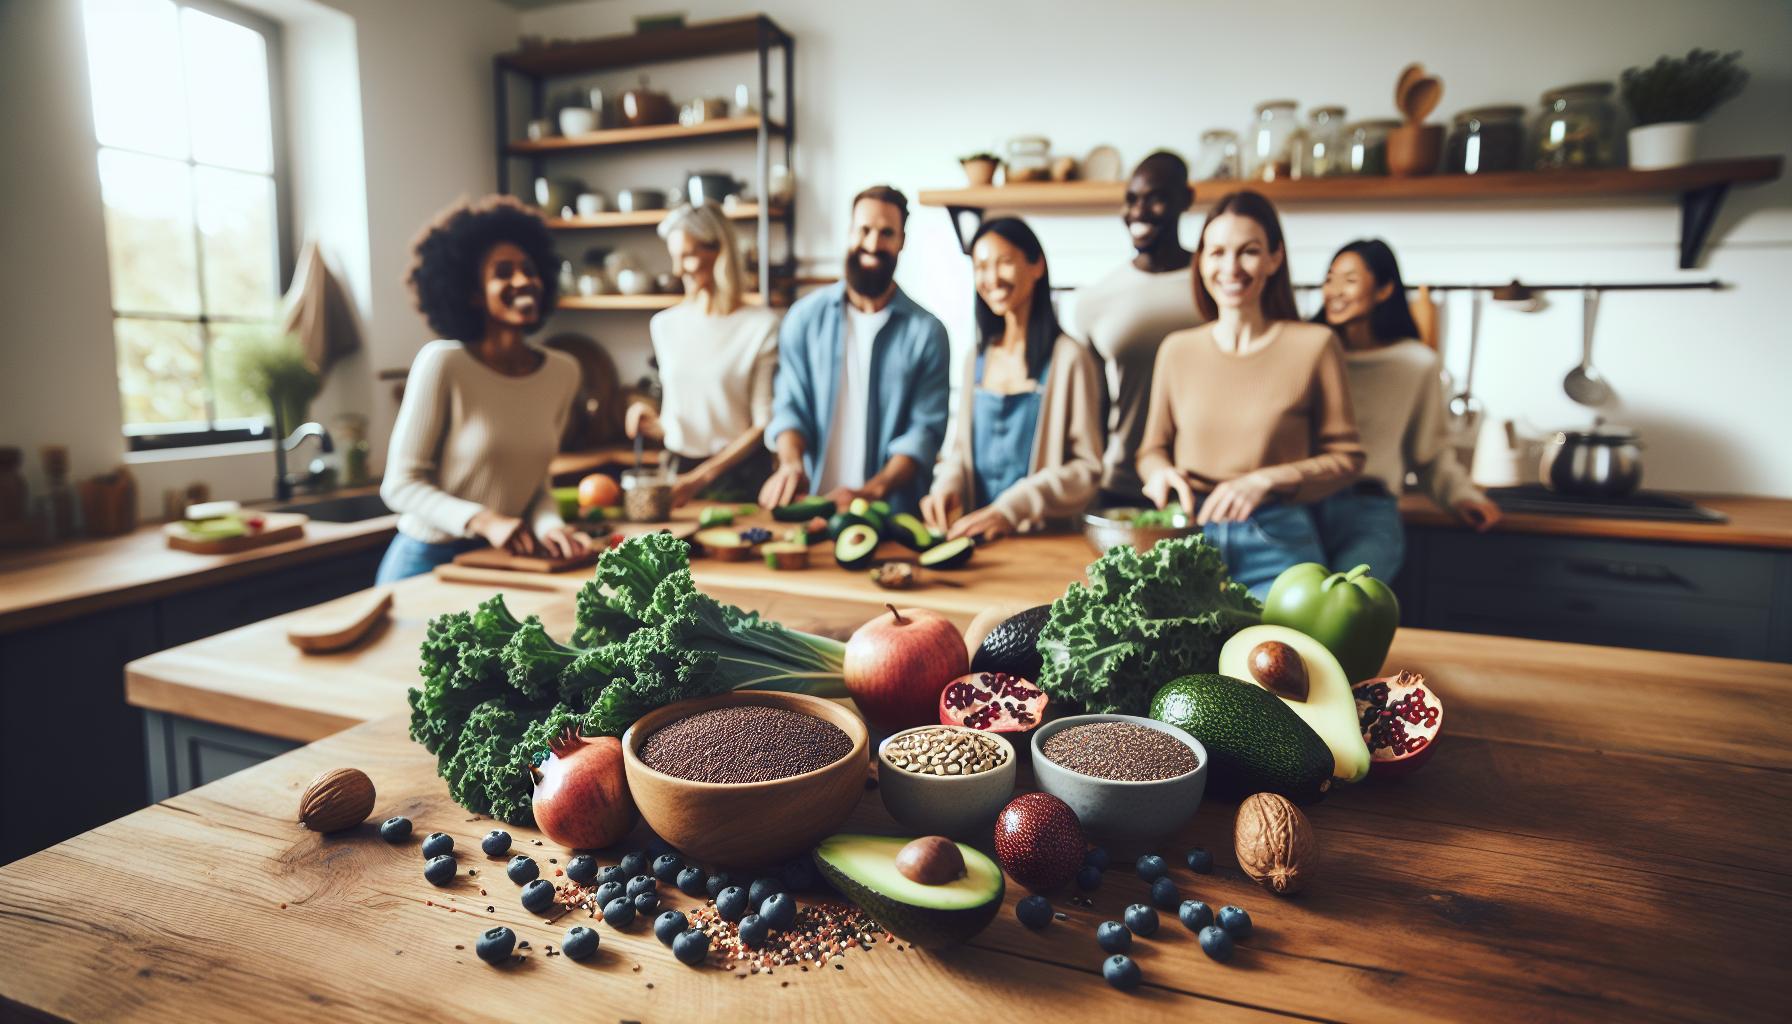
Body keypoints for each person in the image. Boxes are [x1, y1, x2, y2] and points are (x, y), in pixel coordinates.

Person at [1136, 190, 1365, 599]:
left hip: (1276, 538)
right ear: (1201, 260)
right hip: (1187, 535)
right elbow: (1151, 451)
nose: (1230, 267)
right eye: (1217, 252)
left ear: (1274, 258)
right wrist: (1160, 474)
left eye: (1249, 251)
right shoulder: (1177, 350)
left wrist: (1266, 479)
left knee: (1284, 661)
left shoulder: (1315, 345)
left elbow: (1348, 459)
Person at [376, 196, 589, 583]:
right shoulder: (443, 363)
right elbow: (400, 486)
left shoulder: (563, 371)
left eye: (528, 270)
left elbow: (533, 483)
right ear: (473, 293)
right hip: (427, 561)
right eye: (503, 273)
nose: (523, 281)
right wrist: (485, 520)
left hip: (503, 558)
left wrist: (549, 527)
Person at [1312, 239, 1500, 578]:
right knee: (1292, 618)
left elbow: (1430, 454)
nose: (1335, 291)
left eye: (1350, 280)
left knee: (1345, 606)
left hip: (1371, 512)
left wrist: (1462, 497)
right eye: (1329, 279)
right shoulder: (1306, 353)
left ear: (1384, 290)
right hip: (1300, 509)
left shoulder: (1416, 364)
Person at [759, 185, 950, 514]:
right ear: (849, 232)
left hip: (890, 516)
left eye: (886, 233)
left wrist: (869, 493)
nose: (873, 244)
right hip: (810, 509)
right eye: (864, 230)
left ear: (901, 241)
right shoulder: (803, 319)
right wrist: (790, 463)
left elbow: (924, 434)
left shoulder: (928, 333)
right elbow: (789, 407)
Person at [921, 218, 1103, 540]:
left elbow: (1087, 471)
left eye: (1004, 263)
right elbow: (960, 452)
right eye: (981, 267)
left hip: (1044, 542)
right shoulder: (975, 358)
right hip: (978, 538)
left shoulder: (1069, 358)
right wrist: (946, 485)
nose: (992, 278)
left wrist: (1013, 507)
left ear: (1037, 267)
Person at [1072, 151, 1206, 507]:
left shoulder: (1218, 284)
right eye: (1131, 200)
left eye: (1156, 198)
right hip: (1124, 486)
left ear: (1186, 199)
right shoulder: (1095, 300)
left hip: (1211, 485)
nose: (1139, 212)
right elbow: (1094, 409)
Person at [625, 202, 780, 506]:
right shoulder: (665, 325)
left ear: (719, 252)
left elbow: (764, 424)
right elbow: (683, 418)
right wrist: (651, 421)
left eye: (688, 255)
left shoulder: (761, 326)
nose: (677, 269)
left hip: (739, 478)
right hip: (676, 472)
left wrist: (701, 478)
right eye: (674, 257)